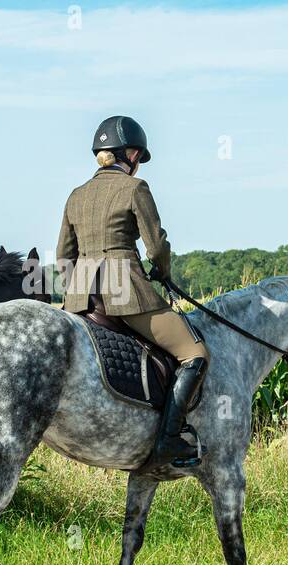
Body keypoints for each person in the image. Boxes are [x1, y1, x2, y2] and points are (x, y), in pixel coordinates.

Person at [56, 115, 210, 467]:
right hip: (125, 292)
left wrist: (77, 294)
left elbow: (63, 255)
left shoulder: (76, 195)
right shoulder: (135, 188)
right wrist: (162, 272)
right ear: (131, 154)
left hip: (81, 297)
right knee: (195, 353)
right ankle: (169, 440)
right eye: (139, 156)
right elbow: (156, 246)